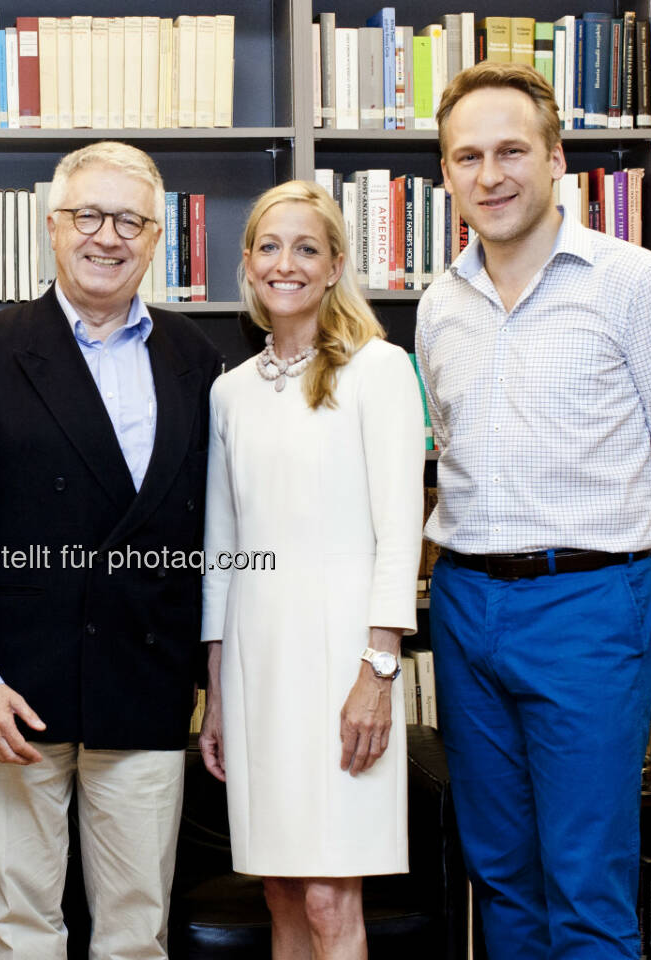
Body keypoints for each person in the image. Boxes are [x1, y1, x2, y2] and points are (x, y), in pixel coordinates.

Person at [418, 62, 651, 960]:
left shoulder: (641, 287)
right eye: (468, 156)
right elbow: (452, 462)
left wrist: (619, 578)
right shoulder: (439, 305)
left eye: (513, 150)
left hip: (589, 604)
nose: (491, 174)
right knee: (501, 872)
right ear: (446, 175)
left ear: (557, 160)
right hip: (466, 608)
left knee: (585, 882)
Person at [0, 141, 222, 959]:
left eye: (130, 220)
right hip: (15, 693)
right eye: (88, 215)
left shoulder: (195, 358)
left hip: (146, 683)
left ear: (157, 238)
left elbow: (207, 534)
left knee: (136, 930)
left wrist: (207, 678)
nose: (107, 236)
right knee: (19, 931)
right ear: (54, 228)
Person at [197, 179, 423, 959]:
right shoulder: (229, 393)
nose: (284, 263)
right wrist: (217, 689)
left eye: (305, 247)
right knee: (281, 890)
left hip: (341, 666)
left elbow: (400, 531)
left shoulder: (380, 369)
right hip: (258, 665)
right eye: (268, 246)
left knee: (330, 897)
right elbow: (223, 552)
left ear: (334, 266)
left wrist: (379, 672)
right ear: (248, 264)